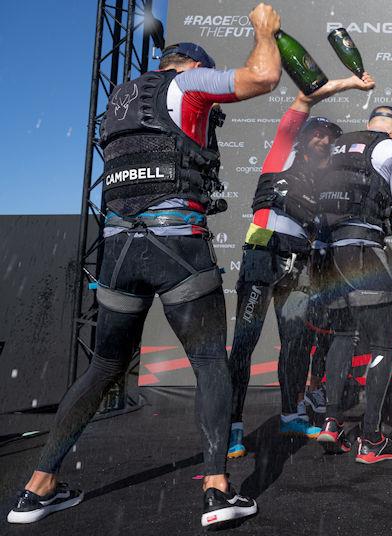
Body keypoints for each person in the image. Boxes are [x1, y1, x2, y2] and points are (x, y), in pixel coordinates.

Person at [6, 5, 283, 528]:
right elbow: (263, 75)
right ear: (192, 66)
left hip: (118, 254)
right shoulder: (187, 84)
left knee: (104, 368)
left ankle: (36, 488)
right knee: (207, 363)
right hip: (176, 245)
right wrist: (263, 32)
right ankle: (218, 491)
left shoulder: (121, 98)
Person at [226, 73, 374, 458]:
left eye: (329, 137)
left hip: (298, 264)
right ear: (305, 137)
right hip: (263, 253)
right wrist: (348, 85)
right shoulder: (282, 154)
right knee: (244, 342)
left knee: (295, 343)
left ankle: (292, 413)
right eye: (317, 134)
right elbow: (296, 114)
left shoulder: (326, 181)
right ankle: (231, 427)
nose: (323, 140)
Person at [314, 105, 392, 463]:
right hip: (363, 251)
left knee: (343, 337)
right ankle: (372, 438)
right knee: (383, 342)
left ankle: (331, 422)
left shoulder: (339, 146)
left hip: (329, 257)